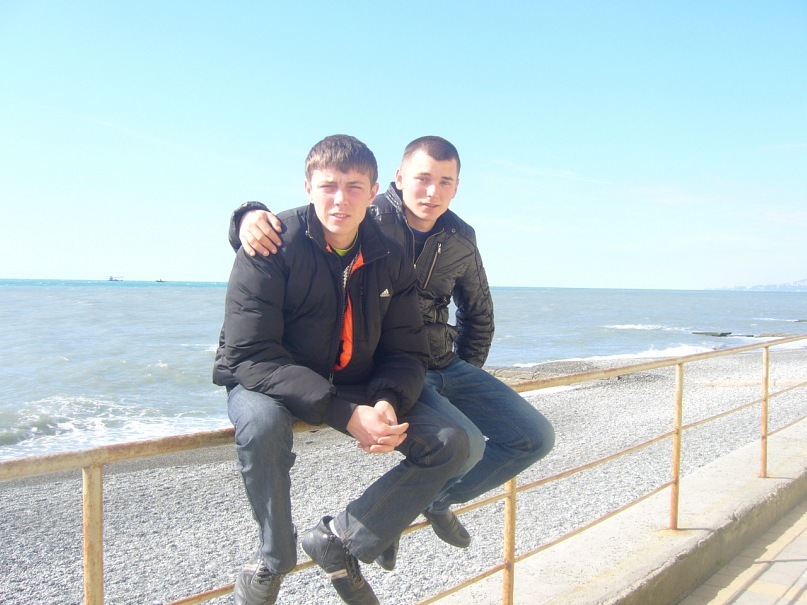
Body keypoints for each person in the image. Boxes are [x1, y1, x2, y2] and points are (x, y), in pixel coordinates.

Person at [229, 136, 556, 571]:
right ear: (398, 179)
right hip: (378, 367)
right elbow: (308, 225)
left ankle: (419, 504)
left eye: (445, 182)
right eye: (422, 178)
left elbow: (478, 310)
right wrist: (246, 215)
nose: (432, 192)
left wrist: (462, 369)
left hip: (432, 363)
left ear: (457, 187)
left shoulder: (459, 235)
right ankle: (362, 525)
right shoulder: (372, 218)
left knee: (532, 437)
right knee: (467, 443)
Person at [214, 134, 471, 605]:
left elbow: (406, 349)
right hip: (266, 376)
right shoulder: (271, 244)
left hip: (352, 379)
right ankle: (273, 559)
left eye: (354, 187)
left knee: (451, 443)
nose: (340, 199)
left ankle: (343, 540)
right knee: (263, 426)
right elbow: (250, 354)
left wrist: (387, 399)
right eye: (329, 186)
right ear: (308, 187)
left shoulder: (389, 255)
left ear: (373, 192)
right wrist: (345, 414)